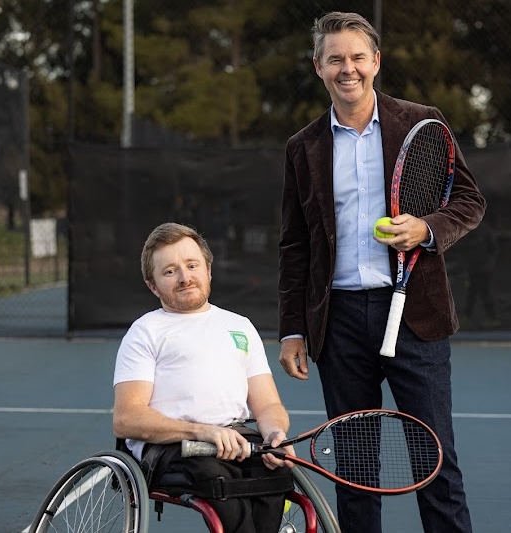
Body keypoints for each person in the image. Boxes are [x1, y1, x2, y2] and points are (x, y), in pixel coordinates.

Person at [278, 11, 486, 533]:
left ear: (375, 61)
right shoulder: (302, 147)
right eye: (334, 60)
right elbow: (295, 243)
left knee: (434, 462)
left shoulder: (421, 122)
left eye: (356, 57)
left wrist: (427, 229)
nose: (347, 69)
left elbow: (468, 200)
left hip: (416, 318)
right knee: (355, 469)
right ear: (318, 67)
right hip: (339, 325)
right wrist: (292, 328)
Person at [113, 222, 294, 533]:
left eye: (192, 265)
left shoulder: (240, 326)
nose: (185, 278)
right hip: (175, 447)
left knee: (274, 476)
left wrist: (275, 434)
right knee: (220, 482)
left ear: (208, 270)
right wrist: (202, 431)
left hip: (239, 441)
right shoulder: (145, 331)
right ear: (153, 286)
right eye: (170, 272)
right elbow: (127, 419)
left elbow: (267, 406)